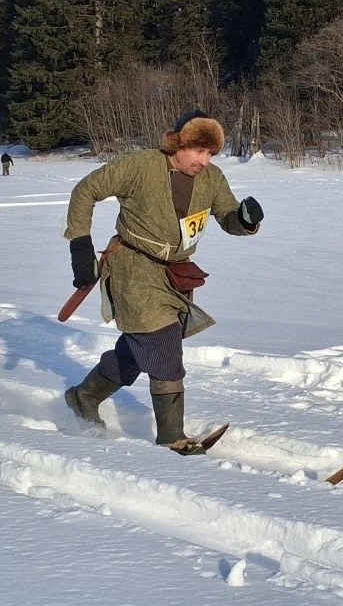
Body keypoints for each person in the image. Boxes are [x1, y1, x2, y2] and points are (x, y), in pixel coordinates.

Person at [62, 109, 264, 453]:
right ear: (177, 143)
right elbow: (86, 190)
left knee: (139, 349)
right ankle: (172, 438)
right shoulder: (140, 166)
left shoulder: (212, 179)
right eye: (198, 151)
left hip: (174, 275)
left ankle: (84, 396)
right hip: (133, 268)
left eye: (210, 153)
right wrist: (80, 244)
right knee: (162, 342)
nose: (204, 160)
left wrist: (245, 220)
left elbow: (228, 216)